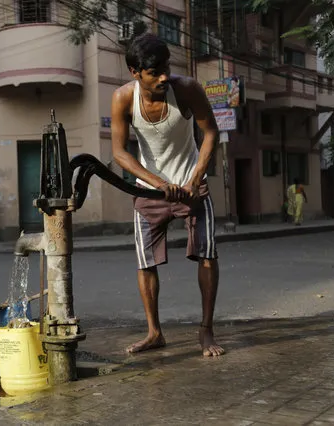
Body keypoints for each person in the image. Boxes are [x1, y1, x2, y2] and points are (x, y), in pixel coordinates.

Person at [111, 33, 224, 357]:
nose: (163, 76)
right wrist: (157, 183)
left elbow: (211, 132)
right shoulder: (122, 98)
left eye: (166, 67)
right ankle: (154, 333)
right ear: (135, 71)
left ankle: (206, 331)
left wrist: (195, 178)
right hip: (150, 191)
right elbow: (119, 152)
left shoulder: (186, 88)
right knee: (145, 263)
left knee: (207, 255)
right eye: (153, 71)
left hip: (191, 186)